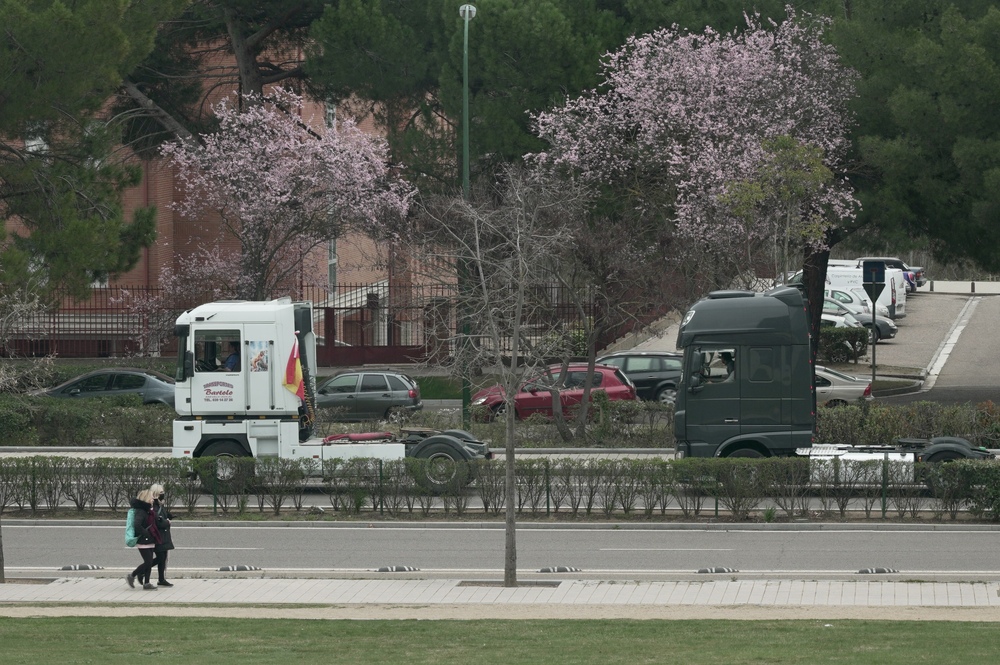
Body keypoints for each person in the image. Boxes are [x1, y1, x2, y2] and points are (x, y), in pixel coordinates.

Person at [126, 489, 161, 590]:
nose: (152, 499)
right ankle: (132, 575)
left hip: (149, 539)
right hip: (143, 540)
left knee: (149, 562)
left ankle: (147, 583)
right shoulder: (141, 511)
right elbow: (137, 525)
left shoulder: (147, 510)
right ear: (146, 498)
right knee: (148, 562)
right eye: (151, 497)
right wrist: (146, 533)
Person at [150, 483, 175, 587]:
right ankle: (141, 570)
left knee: (163, 557)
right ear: (156, 494)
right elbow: (158, 521)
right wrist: (167, 522)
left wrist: (168, 516)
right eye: (161, 493)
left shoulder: (159, 504)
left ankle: (161, 579)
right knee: (160, 557)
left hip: (163, 535)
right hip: (158, 536)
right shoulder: (154, 506)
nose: (163, 495)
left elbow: (161, 516)